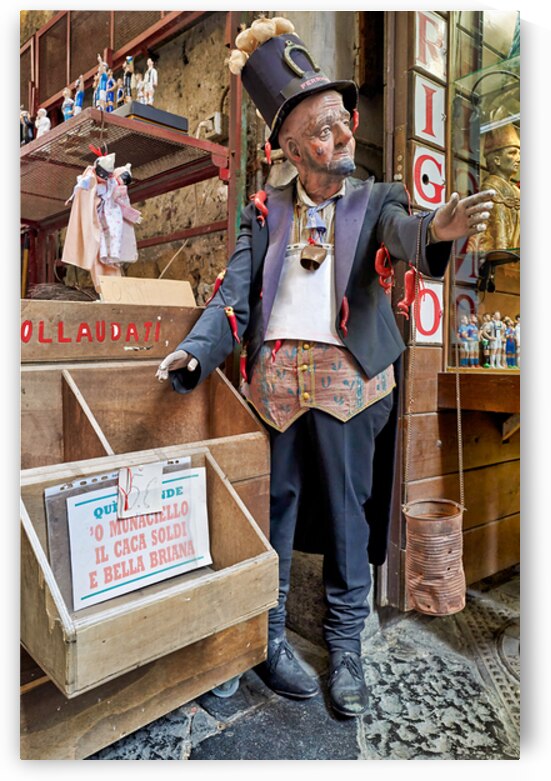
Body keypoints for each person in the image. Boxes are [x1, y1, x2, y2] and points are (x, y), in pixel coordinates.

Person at [156, 25, 494, 718]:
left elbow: (408, 232)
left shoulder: (377, 200)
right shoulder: (263, 211)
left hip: (351, 381)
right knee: (267, 516)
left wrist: (435, 230)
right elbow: (232, 294)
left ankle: (345, 650)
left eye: (342, 122)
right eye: (319, 130)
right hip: (272, 388)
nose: (338, 137)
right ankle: (265, 639)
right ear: (288, 149)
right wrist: (197, 349)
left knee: (346, 519)